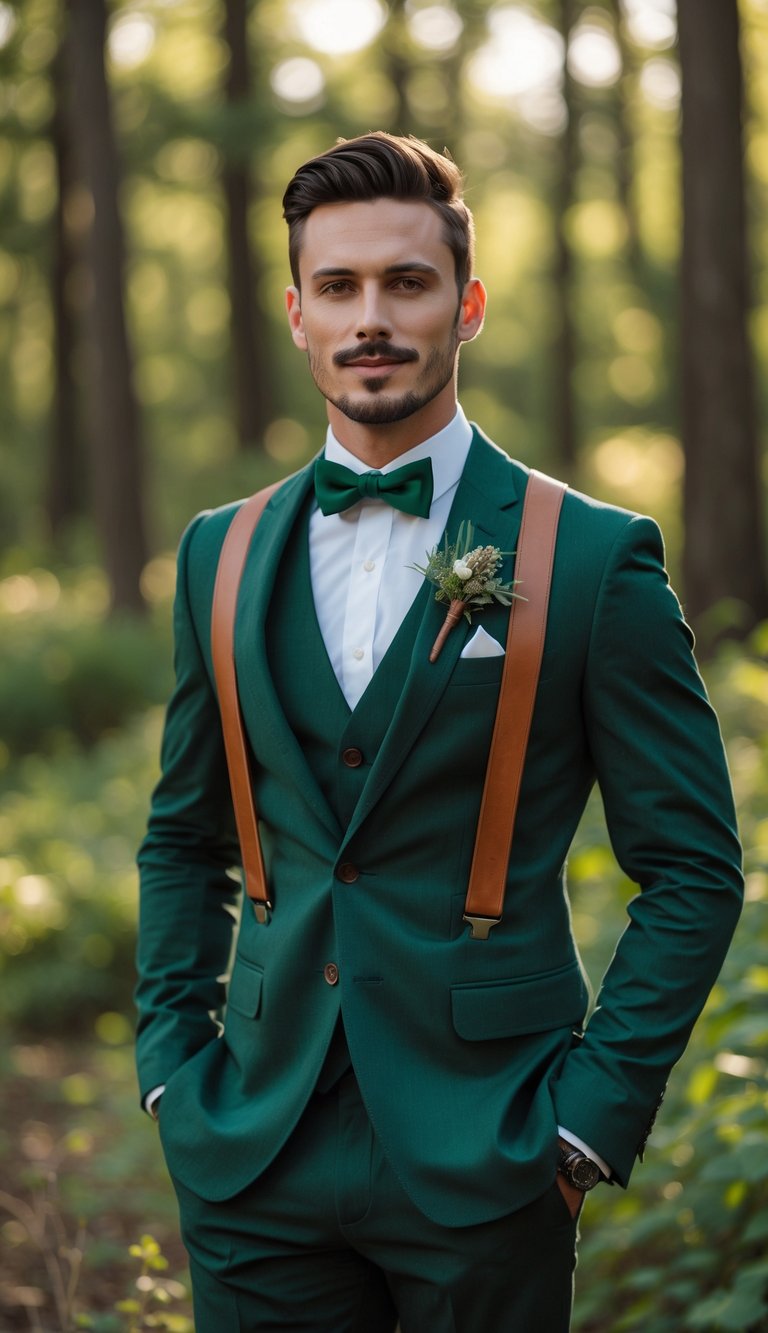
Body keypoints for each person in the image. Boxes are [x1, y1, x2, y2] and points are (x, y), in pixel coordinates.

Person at [135, 132, 743, 1332]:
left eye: (406, 284)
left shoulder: (592, 559)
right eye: (341, 287)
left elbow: (692, 869)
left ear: (464, 306)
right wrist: (172, 1067)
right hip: (252, 1146)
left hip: (494, 1148)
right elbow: (181, 836)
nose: (373, 318)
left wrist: (588, 1119)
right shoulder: (220, 551)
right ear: (296, 311)